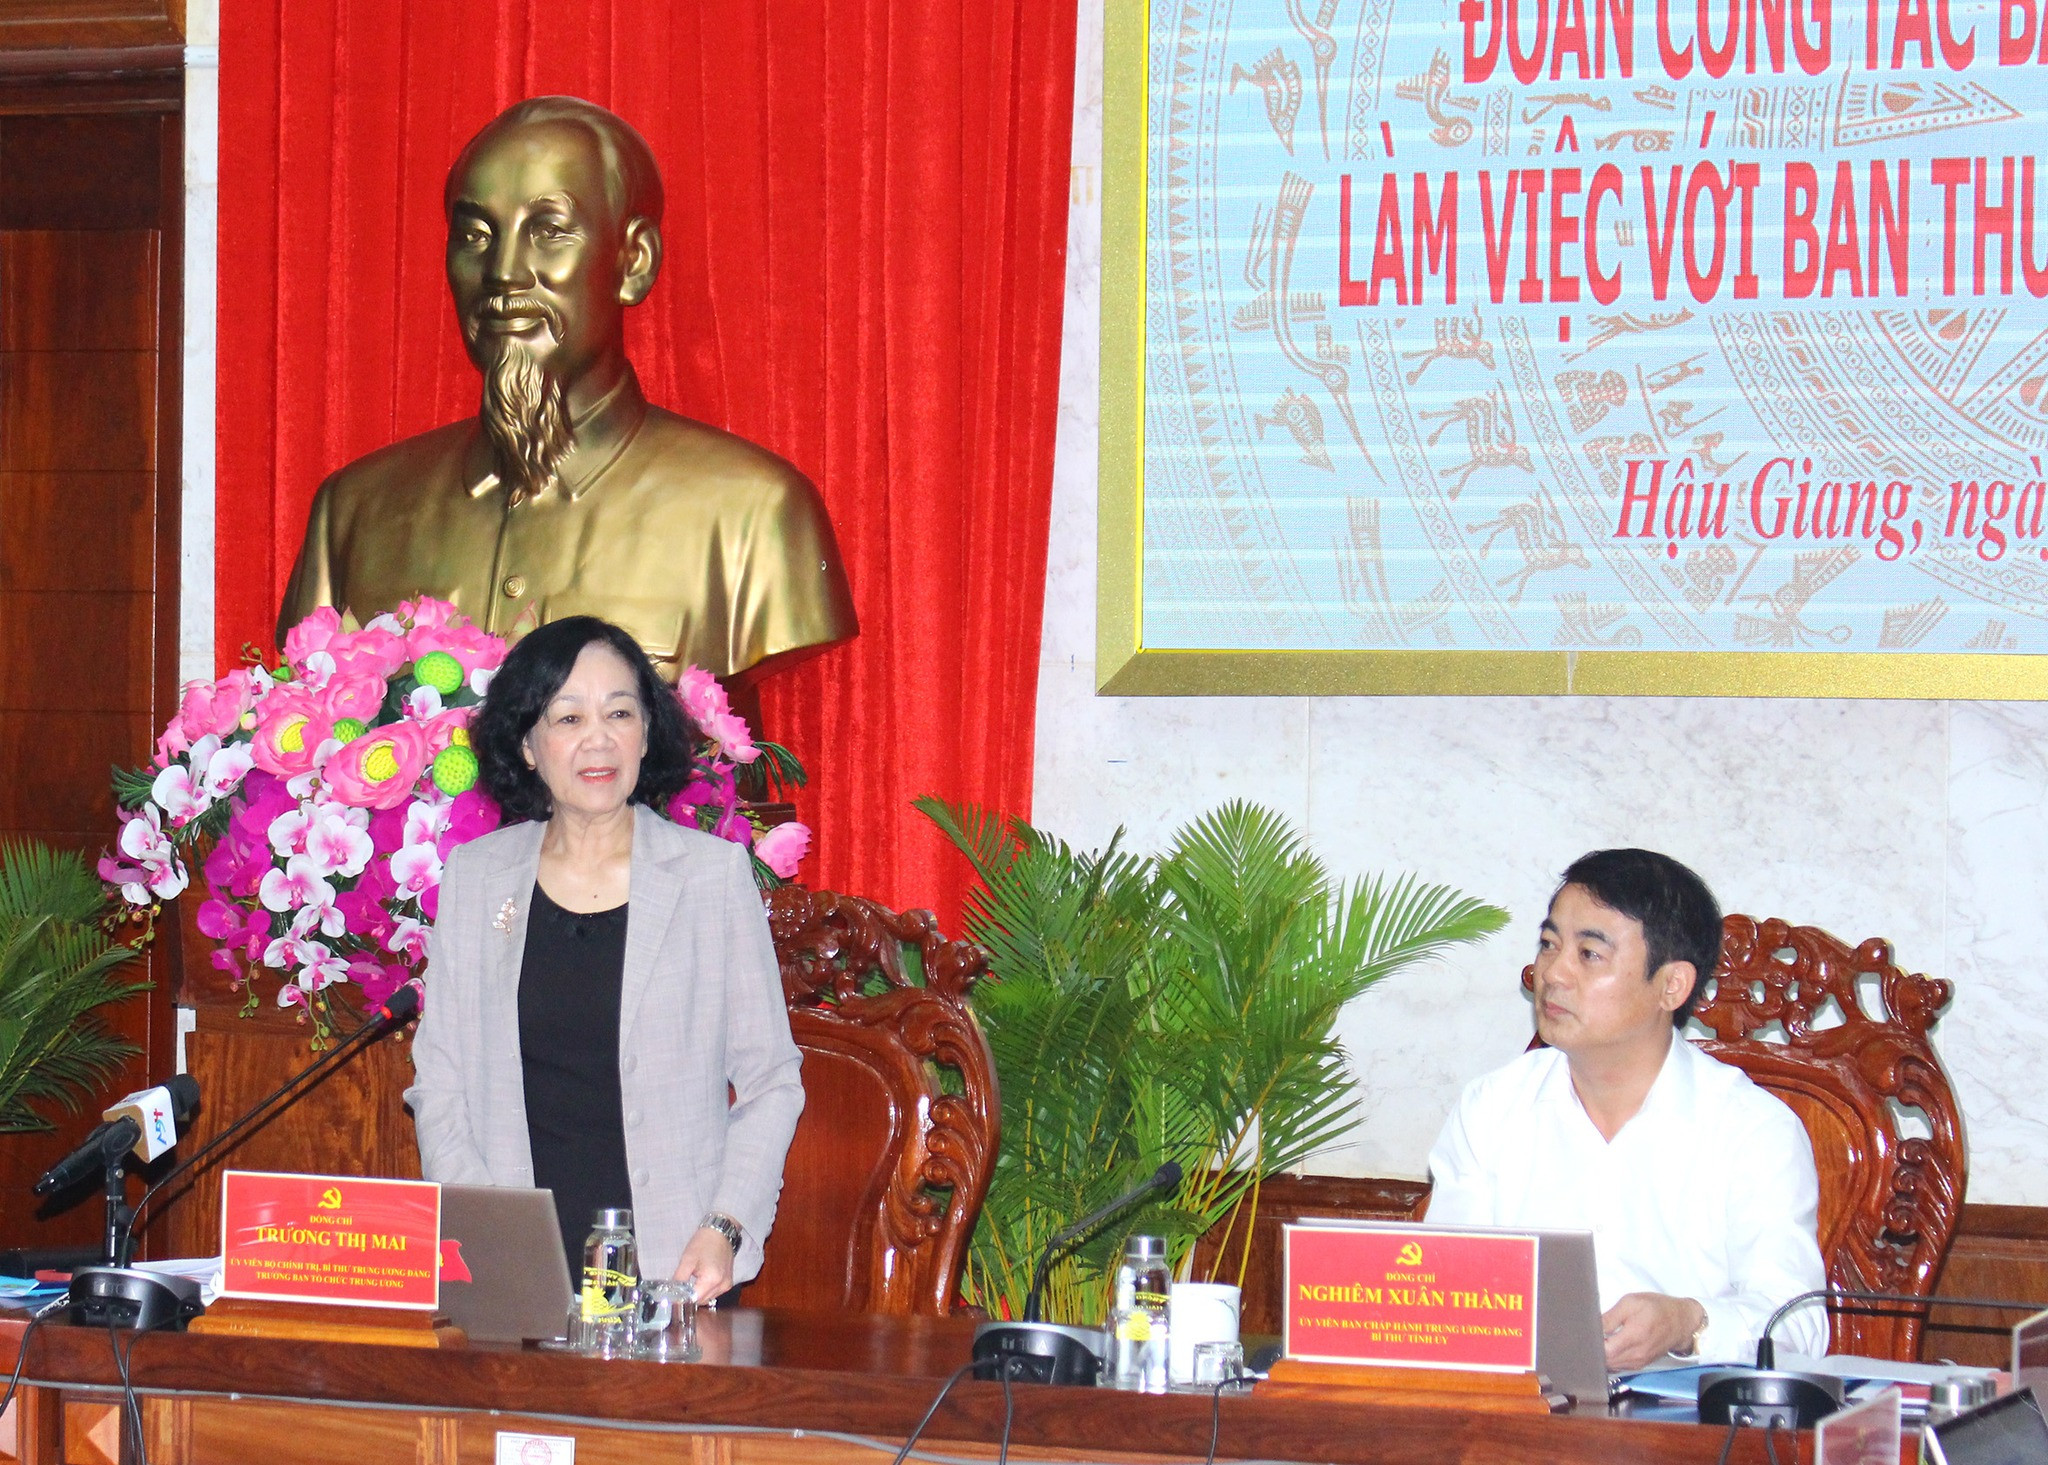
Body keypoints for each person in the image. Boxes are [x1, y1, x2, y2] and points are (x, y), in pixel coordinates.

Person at [278, 95, 857, 689]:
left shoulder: (752, 512)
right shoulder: (355, 512)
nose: (503, 272)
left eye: (548, 232)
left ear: (634, 262)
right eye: (475, 235)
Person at [405, 615, 805, 1299]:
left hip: (678, 1272)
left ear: (646, 733)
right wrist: (486, 1233)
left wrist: (726, 1226)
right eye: (568, 718)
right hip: (518, 1271)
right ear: (527, 744)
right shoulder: (477, 877)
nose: (599, 739)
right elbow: (440, 1083)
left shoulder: (709, 878)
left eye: (620, 712)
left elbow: (771, 1080)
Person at [1425, 849, 1827, 1368]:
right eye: (1549, 945)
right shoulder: (1491, 1109)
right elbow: (1444, 1292)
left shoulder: (1752, 1130)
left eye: (1590, 954)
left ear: (1672, 985)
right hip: (1523, 1404)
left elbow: (1798, 1324)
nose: (1554, 973)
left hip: (1686, 1413)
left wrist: (1689, 1323)